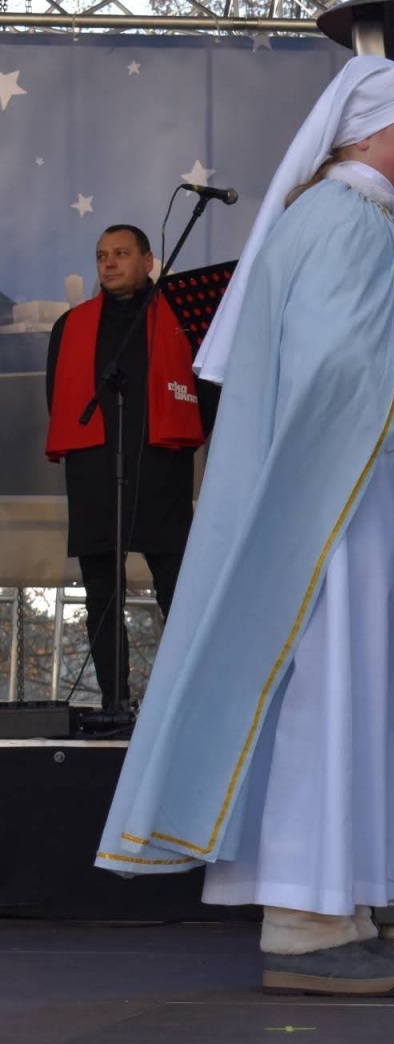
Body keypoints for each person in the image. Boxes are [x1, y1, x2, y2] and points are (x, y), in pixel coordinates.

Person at [95, 56, 394, 998]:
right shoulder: (342, 223)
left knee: (355, 695)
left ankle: (339, 904)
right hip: (335, 518)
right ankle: (307, 919)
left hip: (366, 507)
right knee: (328, 696)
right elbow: (334, 377)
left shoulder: (372, 225)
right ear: (362, 135)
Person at [44, 224, 217, 716]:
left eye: (121, 253)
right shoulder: (71, 324)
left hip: (160, 466)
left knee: (175, 582)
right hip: (95, 469)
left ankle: (192, 697)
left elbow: (209, 390)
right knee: (102, 589)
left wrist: (182, 436)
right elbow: (57, 397)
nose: (109, 263)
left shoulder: (182, 317)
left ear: (148, 260)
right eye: (101, 255)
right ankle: (114, 701)